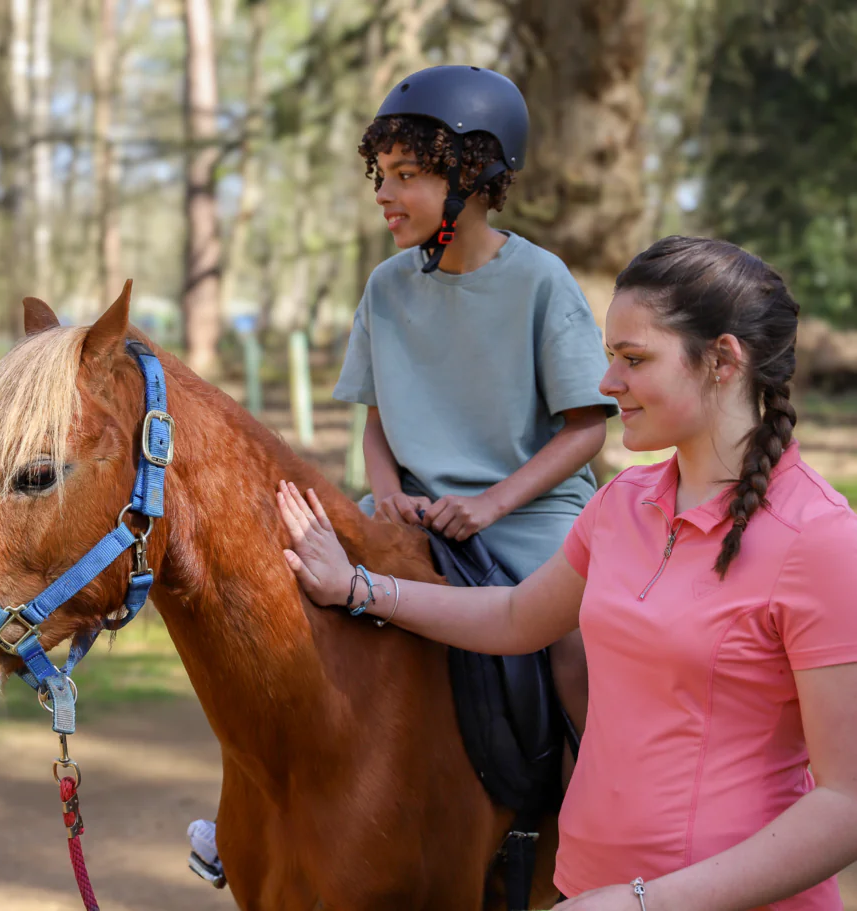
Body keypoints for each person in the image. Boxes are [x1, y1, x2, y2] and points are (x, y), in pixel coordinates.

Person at [275, 235, 857, 910]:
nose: (606, 384)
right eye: (610, 357)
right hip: (582, 890)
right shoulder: (620, 505)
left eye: (632, 359)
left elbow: (845, 802)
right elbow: (516, 617)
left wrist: (645, 903)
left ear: (722, 360)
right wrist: (357, 587)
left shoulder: (819, 541)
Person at [187, 63, 616, 886]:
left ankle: (594, 825)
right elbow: (376, 423)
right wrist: (383, 495)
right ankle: (258, 808)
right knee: (281, 610)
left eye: (407, 176)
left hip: (529, 511)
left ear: (472, 177)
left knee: (572, 640)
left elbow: (584, 431)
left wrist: (491, 503)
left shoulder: (540, 281)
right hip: (405, 507)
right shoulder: (384, 288)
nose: (385, 194)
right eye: (380, 177)